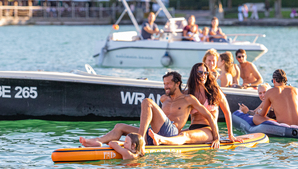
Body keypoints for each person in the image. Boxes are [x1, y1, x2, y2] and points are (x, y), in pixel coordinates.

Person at [79, 71, 219, 148]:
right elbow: (152, 118)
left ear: (177, 83)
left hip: (171, 133)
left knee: (147, 101)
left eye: (169, 84)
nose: (166, 87)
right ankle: (99, 141)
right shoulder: (164, 98)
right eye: (164, 84)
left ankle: (140, 140)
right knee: (119, 126)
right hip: (155, 133)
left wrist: (217, 137)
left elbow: (209, 116)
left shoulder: (188, 99)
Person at [149, 63, 243, 148]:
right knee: (174, 135)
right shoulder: (188, 94)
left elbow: (227, 112)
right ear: (194, 75)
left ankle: (161, 140)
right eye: (200, 73)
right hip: (192, 128)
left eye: (206, 73)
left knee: (184, 136)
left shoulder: (215, 92)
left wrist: (229, 135)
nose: (203, 76)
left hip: (209, 129)